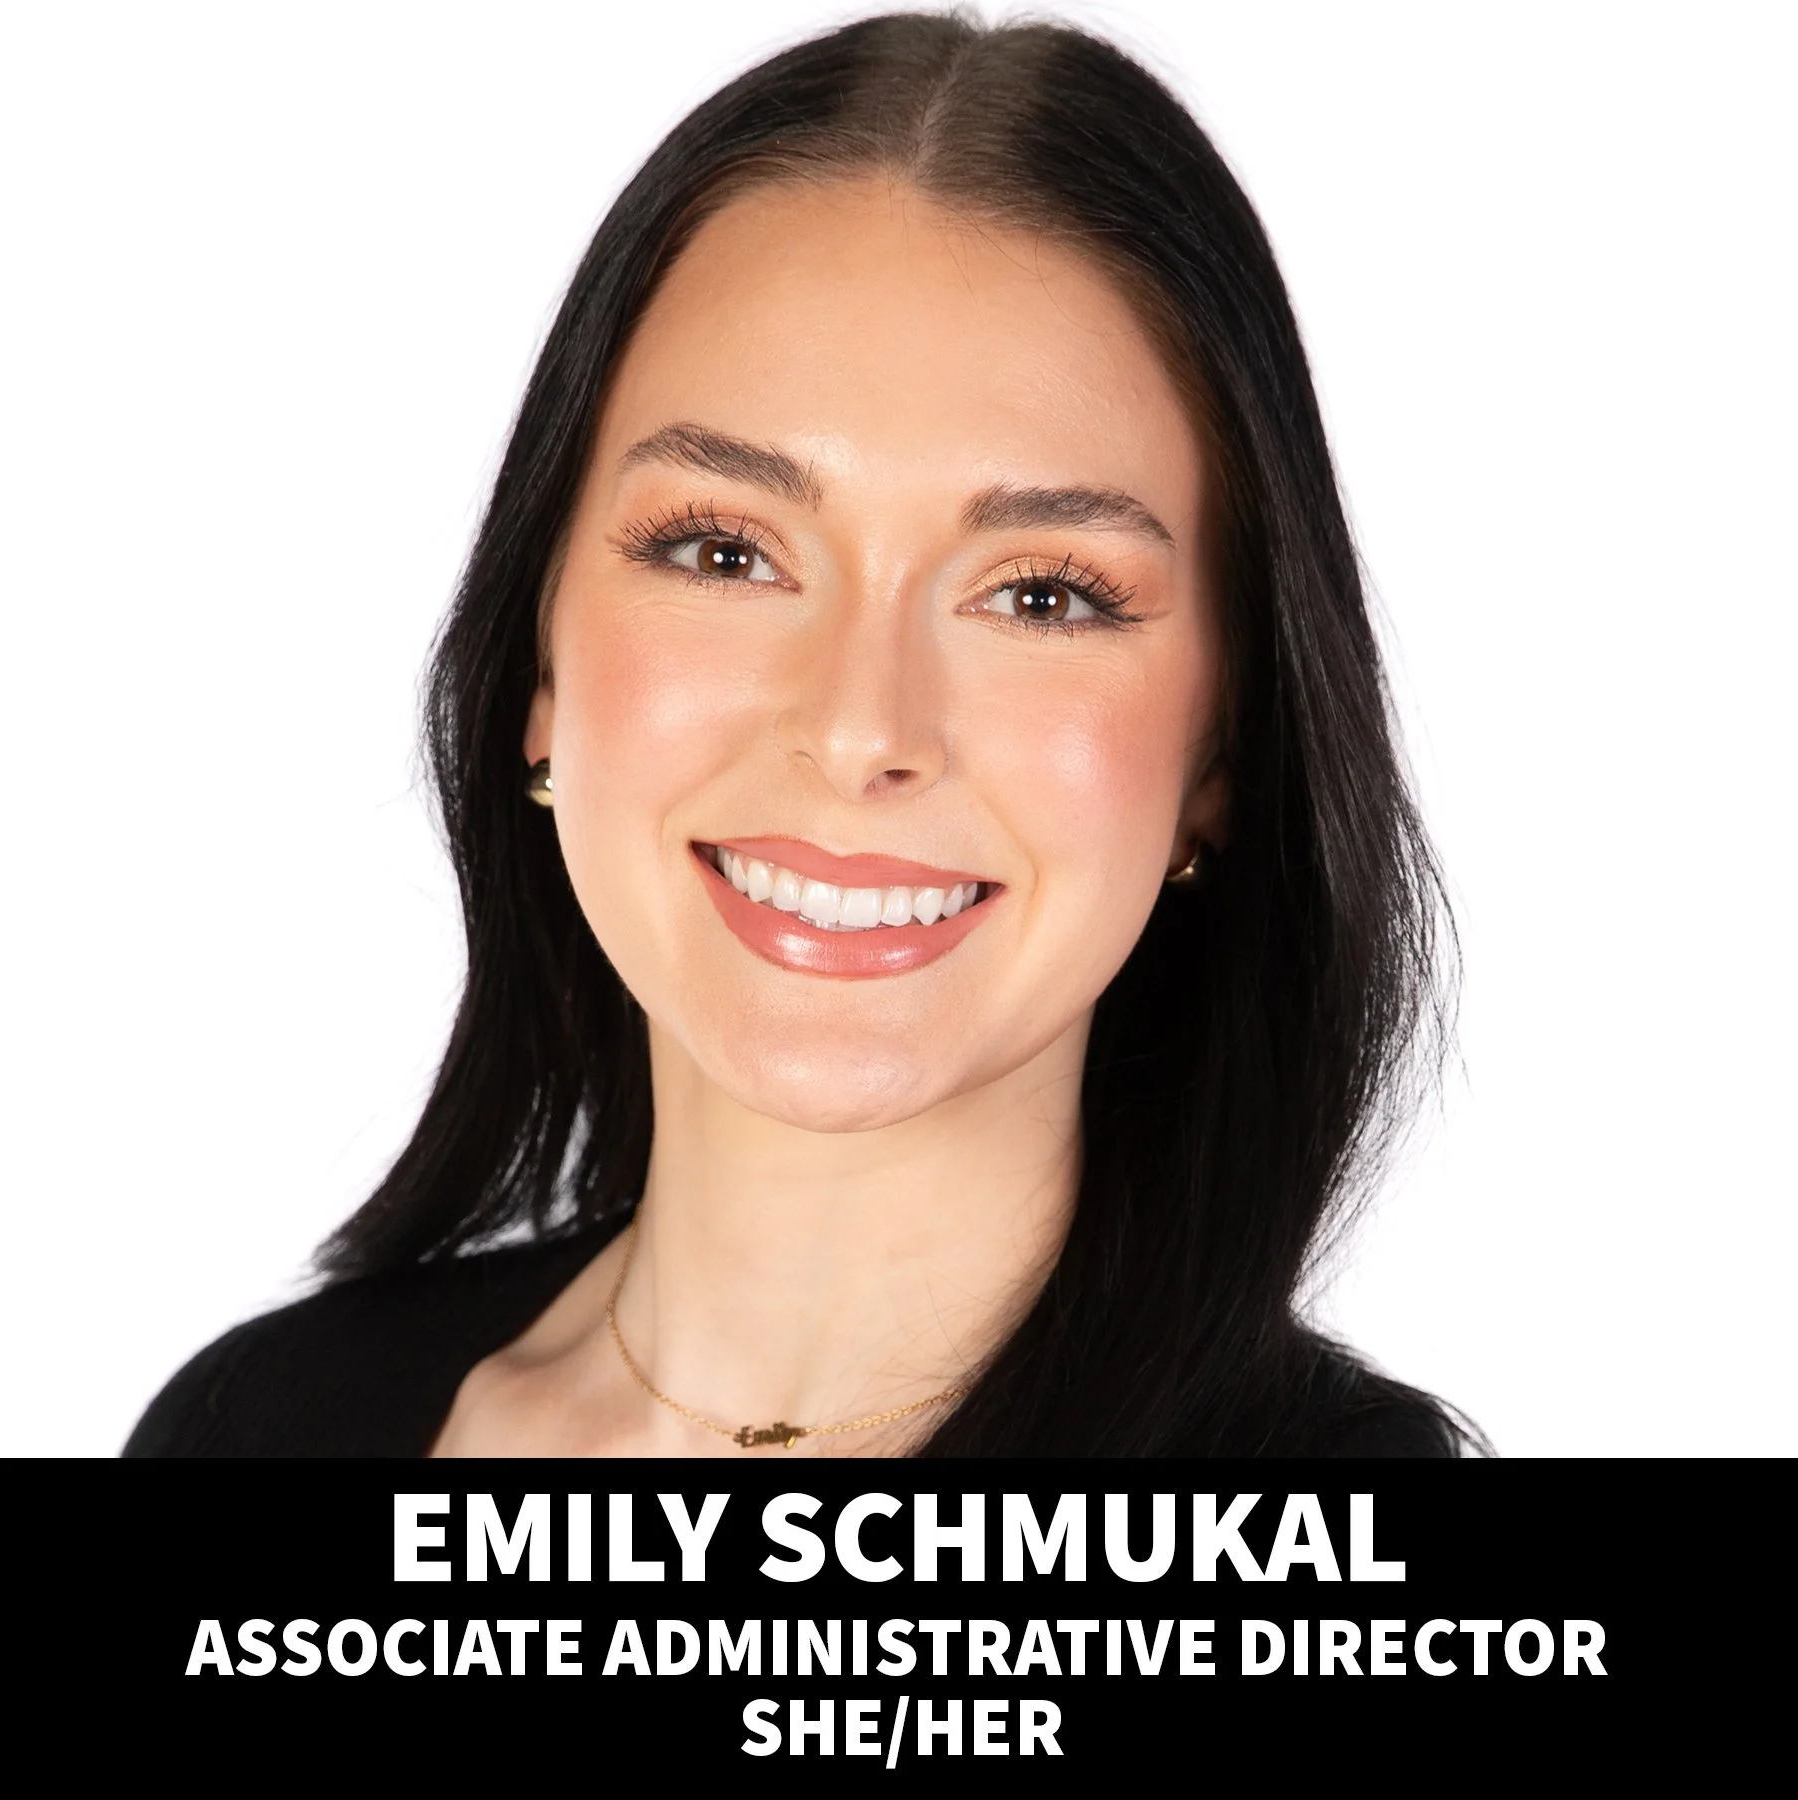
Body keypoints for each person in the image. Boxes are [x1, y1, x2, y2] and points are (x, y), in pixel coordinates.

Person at [126, 8, 1481, 1459]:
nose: (858, 729)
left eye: (1041, 594)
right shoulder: (252, 1429)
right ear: (541, 662)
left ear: (1222, 749)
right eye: (724, 554)